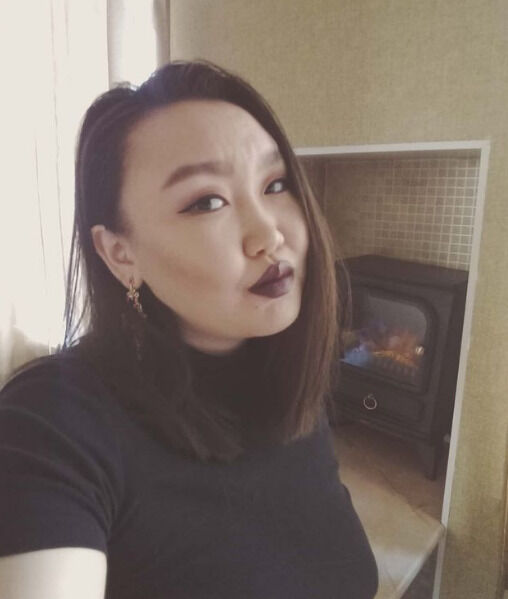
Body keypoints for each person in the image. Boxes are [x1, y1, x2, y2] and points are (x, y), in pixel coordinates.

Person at [0, 59, 378, 599]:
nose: (269, 235)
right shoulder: (54, 423)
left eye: (275, 184)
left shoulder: (288, 386)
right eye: (207, 202)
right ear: (120, 254)